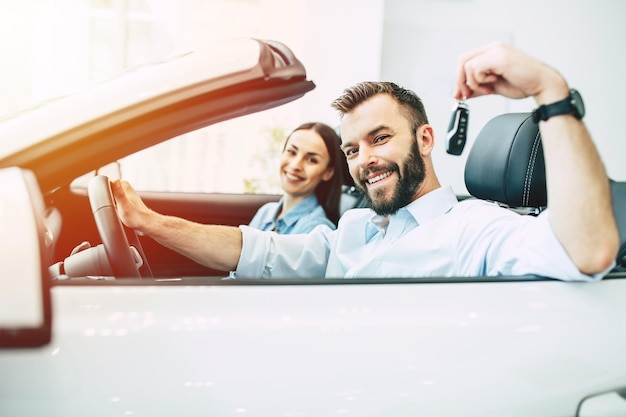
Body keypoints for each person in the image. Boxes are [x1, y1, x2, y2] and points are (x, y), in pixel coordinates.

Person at [111, 42, 619, 281]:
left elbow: (589, 251)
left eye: (380, 139)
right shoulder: (357, 229)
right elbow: (261, 251)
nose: (365, 161)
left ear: (425, 139)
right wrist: (151, 223)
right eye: (352, 149)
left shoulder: (476, 229)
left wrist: (548, 93)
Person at [248, 122, 344, 233]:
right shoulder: (266, 212)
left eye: (311, 160)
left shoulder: (316, 230)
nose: (295, 165)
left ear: (328, 172)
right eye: (291, 152)